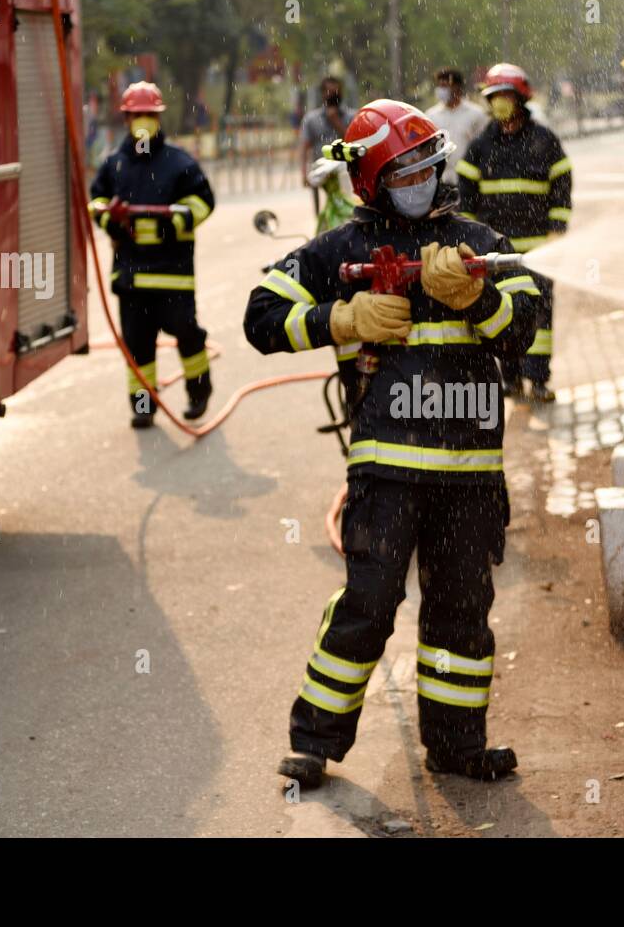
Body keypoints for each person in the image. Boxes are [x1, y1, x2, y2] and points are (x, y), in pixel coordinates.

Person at [244, 100, 544, 790]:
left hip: (470, 474)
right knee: (371, 601)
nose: (421, 179)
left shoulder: (477, 239)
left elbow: (525, 327)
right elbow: (261, 315)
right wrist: (338, 317)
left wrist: (478, 299)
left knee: (461, 614)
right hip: (387, 471)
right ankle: (313, 742)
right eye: (403, 170)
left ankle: (458, 746)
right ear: (373, 181)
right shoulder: (341, 249)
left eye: (427, 165)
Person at [88, 81, 216, 428]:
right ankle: (143, 406)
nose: (142, 121)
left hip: (173, 274)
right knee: (138, 348)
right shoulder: (114, 164)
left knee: (187, 334)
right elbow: (95, 201)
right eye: (136, 115)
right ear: (126, 120)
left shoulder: (179, 163)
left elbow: (204, 202)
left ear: (158, 118)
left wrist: (171, 222)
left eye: (148, 115)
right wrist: (109, 219)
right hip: (131, 278)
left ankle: (198, 392)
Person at [458, 63, 572, 402]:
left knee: (538, 316)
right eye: (494, 97)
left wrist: (557, 230)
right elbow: (466, 196)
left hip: (538, 249)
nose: (499, 103)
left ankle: (538, 379)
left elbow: (561, 187)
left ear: (521, 99)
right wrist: (467, 239)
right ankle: (510, 379)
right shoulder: (480, 146)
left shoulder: (544, 141)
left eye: (505, 96)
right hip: (496, 254)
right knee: (502, 314)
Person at [298, 76, 356, 217]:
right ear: (323, 94)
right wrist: (304, 173)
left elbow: (354, 141)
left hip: (346, 171)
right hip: (320, 170)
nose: (332, 95)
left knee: (349, 208)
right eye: (329, 92)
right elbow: (304, 147)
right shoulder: (311, 119)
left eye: (335, 92)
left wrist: (336, 121)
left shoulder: (352, 116)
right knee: (321, 212)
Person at [424, 67, 489, 186]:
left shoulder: (476, 114)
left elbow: (486, 145)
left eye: (446, 86)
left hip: (469, 178)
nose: (441, 90)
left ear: (458, 88)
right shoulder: (430, 116)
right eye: (440, 86)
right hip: (440, 180)